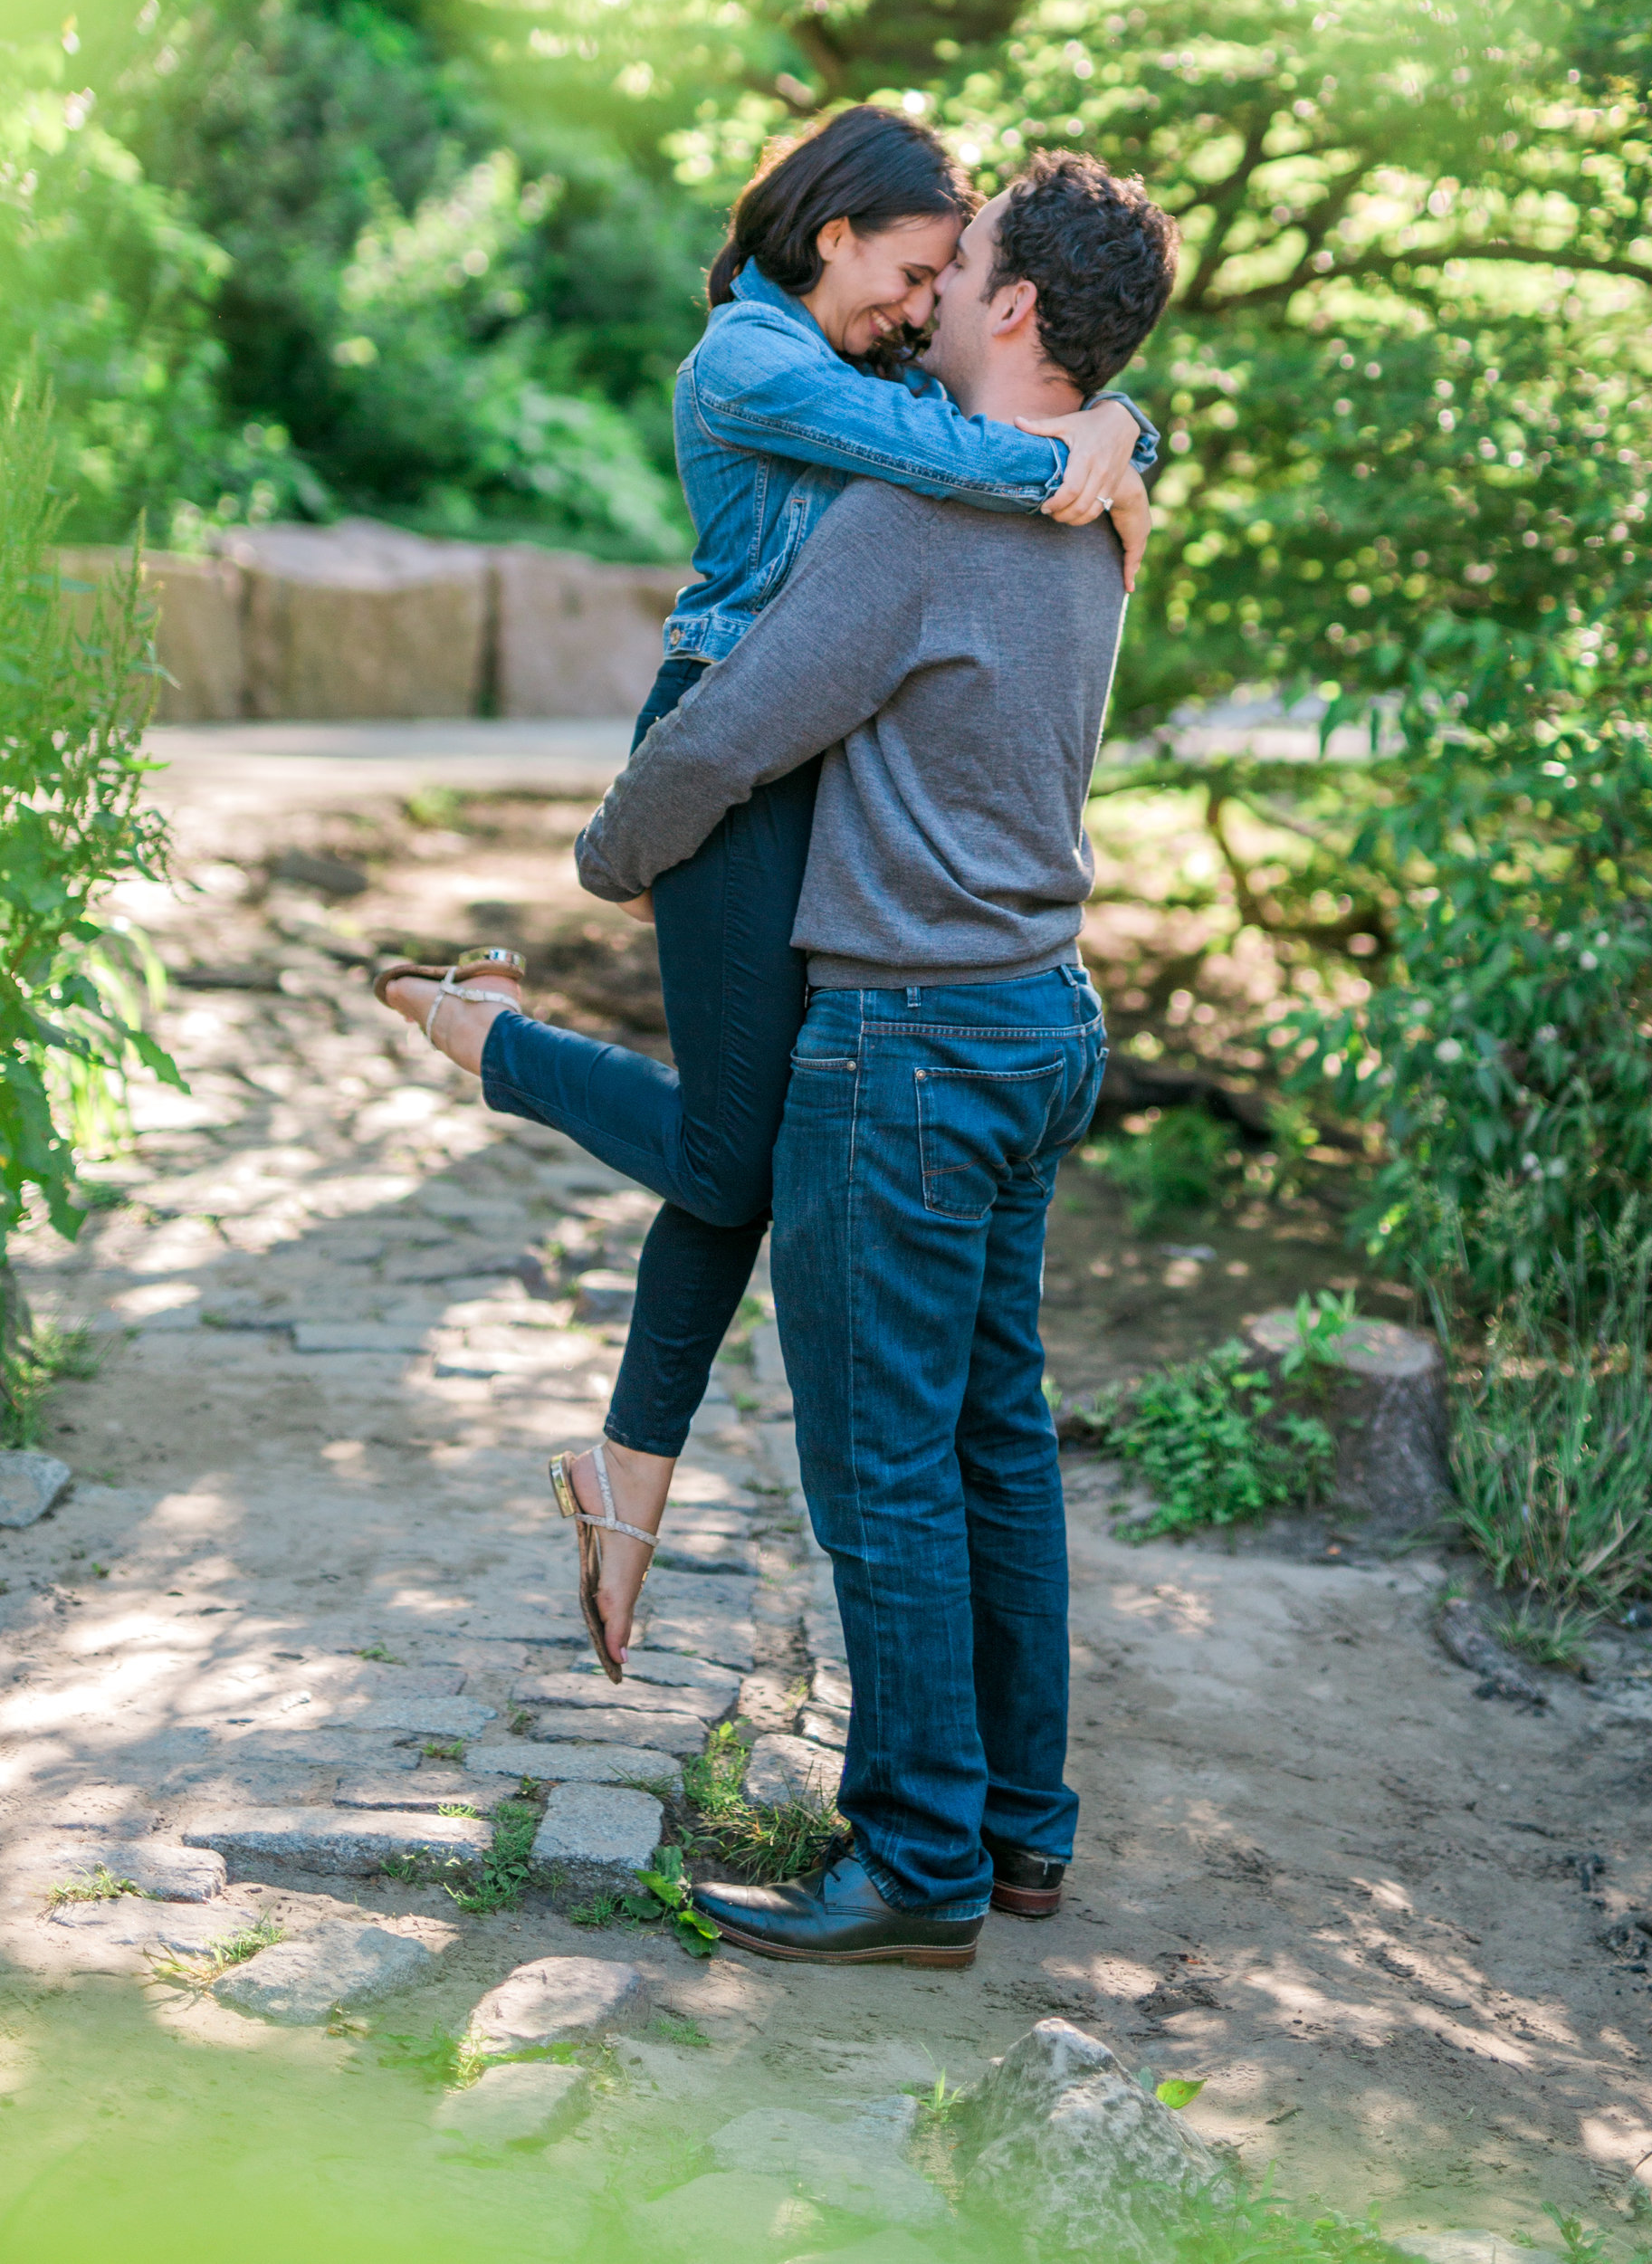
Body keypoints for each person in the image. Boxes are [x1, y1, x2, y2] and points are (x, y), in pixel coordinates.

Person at [372, 104, 1154, 1673]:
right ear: (833, 232)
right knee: (746, 1157)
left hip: (809, 767)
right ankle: (496, 1046)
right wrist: (1105, 447)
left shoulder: (872, 357)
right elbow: (947, 457)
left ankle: (625, 1479)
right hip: (725, 755)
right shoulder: (751, 358)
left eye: (952, 279)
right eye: (915, 269)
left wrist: (1121, 426)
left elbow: (1012, 397)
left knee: (750, 1146)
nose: (926, 304)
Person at [564, 149, 1179, 1965]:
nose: (919, 299)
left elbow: (730, 736)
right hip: (1035, 1022)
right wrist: (1120, 417)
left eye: (954, 267)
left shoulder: (916, 524)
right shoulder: (1100, 501)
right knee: (994, 1444)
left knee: (884, 1470)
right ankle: (1014, 1831)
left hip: (904, 1046)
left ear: (1003, 307)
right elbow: (1065, 421)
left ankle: (911, 1862)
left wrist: (611, 859)